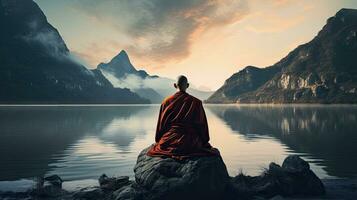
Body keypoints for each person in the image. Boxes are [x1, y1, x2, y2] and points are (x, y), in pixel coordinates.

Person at [147, 75, 219, 159]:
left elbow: (161, 125)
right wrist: (204, 141)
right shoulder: (196, 102)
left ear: (174, 85)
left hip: (170, 141)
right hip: (191, 142)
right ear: (187, 85)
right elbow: (202, 126)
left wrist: (160, 140)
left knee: (161, 144)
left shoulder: (166, 102)